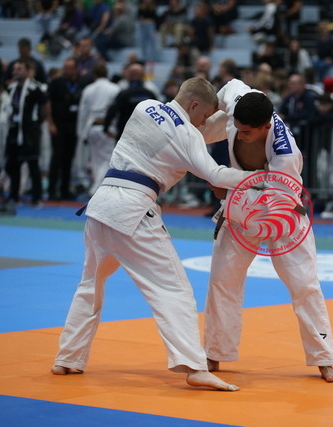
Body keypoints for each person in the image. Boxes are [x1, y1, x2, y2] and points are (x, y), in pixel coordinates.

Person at [51, 77, 254, 391]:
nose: (202, 123)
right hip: (133, 211)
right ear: (194, 105)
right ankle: (194, 366)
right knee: (174, 289)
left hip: (100, 206)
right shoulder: (187, 133)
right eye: (202, 116)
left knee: (90, 284)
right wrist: (258, 177)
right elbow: (214, 173)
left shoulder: (145, 107)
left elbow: (187, 133)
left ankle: (68, 358)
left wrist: (220, 118)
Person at [198, 78, 333, 383]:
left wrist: (226, 191)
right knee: (222, 280)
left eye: (247, 132)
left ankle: (324, 358)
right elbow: (229, 87)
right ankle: (215, 351)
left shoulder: (286, 154)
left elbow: (275, 204)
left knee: (304, 285)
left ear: (266, 127)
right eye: (238, 128)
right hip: (240, 211)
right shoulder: (241, 101)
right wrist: (207, 117)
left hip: (284, 216)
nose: (240, 134)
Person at [0, 60, 47, 216]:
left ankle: (36, 198)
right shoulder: (11, 88)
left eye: (19, 69)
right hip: (13, 131)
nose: (15, 71)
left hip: (29, 132)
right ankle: (14, 196)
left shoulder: (36, 88)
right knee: (13, 165)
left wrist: (36, 124)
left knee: (33, 165)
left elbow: (45, 108)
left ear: (28, 71)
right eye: (14, 69)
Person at [77, 63, 120, 196]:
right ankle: (96, 187)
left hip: (91, 126)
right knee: (107, 158)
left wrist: (81, 133)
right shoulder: (115, 88)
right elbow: (116, 111)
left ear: (94, 75)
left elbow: (83, 112)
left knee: (95, 159)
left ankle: (96, 185)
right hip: (107, 127)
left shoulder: (88, 89)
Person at [46, 57, 83, 201]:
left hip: (73, 126)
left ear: (76, 69)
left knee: (68, 159)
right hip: (58, 125)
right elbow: (48, 103)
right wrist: (50, 123)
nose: (66, 71)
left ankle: (64, 190)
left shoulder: (81, 83)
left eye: (70, 68)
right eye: (65, 68)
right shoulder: (56, 83)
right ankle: (51, 190)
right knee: (57, 158)